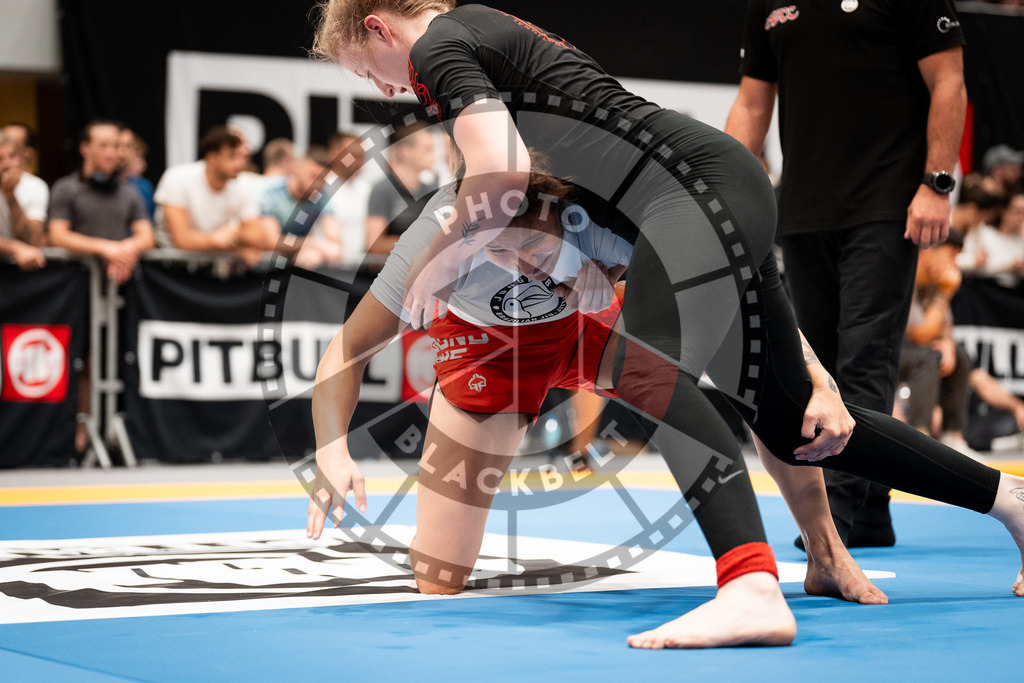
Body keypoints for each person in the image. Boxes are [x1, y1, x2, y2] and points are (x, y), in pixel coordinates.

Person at [310, 1, 1024, 649]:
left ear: (376, 27)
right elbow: (505, 183)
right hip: (711, 195)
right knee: (792, 419)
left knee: (647, 363)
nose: (385, 89)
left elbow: (501, 170)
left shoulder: (441, 47)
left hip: (694, 194)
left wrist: (442, 264)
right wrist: (810, 374)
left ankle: (749, 584)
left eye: (367, 71)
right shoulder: (507, 80)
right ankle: (1011, 500)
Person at [310, 169, 887, 611]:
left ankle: (825, 549)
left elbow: (743, 297)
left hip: (594, 323)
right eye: (502, 253)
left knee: (756, 377)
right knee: (440, 577)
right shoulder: (431, 243)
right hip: (486, 348)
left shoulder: (596, 215)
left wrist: (813, 375)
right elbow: (347, 350)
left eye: (537, 251)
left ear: (560, 216)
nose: (526, 268)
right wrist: (332, 448)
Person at [725, 0, 968, 549]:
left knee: (865, 355)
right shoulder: (768, 3)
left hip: (886, 201)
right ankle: (873, 511)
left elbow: (949, 81)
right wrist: (728, 191)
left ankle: (840, 505)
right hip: (803, 206)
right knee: (816, 366)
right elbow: (752, 101)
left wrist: (937, 182)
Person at [48, 120, 155, 284]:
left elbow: (146, 235)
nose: (111, 153)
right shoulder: (66, 189)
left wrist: (125, 249)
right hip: (73, 283)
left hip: (118, 279)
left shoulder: (129, 191)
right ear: (85, 148)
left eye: (116, 146)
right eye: (103, 146)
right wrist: (105, 248)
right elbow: (58, 235)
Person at [154, 125, 269, 265]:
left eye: (243, 156)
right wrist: (224, 242)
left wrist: (233, 233)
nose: (240, 163)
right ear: (212, 158)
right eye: (232, 156)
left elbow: (258, 237)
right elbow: (183, 241)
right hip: (169, 269)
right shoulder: (177, 178)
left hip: (210, 271)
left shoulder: (243, 183)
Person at [259, 146, 344, 268]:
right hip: (260, 271)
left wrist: (312, 250)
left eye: (323, 179)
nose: (318, 184)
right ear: (295, 168)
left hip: (292, 265)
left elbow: (335, 241)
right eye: (313, 176)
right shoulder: (270, 192)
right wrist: (312, 243)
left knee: (312, 257)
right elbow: (271, 241)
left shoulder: (322, 197)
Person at [365, 122, 438, 255]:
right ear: (406, 151)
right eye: (428, 149)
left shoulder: (430, 191)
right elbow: (374, 244)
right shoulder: (383, 189)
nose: (434, 156)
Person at [956, 191, 1024, 286]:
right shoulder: (983, 232)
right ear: (1004, 211)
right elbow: (973, 265)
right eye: (1017, 212)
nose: (1021, 218)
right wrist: (1008, 267)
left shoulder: (1021, 239)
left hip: (1014, 293)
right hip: (982, 288)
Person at [0, 132, 45, 270]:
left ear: (21, 158)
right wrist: (15, 248)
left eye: (12, 156)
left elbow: (33, 240)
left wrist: (10, 196)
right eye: (0, 158)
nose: (7, 164)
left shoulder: (35, 186)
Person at [327, 130, 371, 260]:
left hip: (360, 270)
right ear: (334, 154)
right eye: (353, 156)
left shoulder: (367, 190)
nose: (359, 162)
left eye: (362, 157)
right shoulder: (320, 189)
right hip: (324, 268)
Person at [117, 127, 156, 220]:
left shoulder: (143, 187)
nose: (122, 153)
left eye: (129, 146)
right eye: (117, 145)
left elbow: (148, 225)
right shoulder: (86, 187)